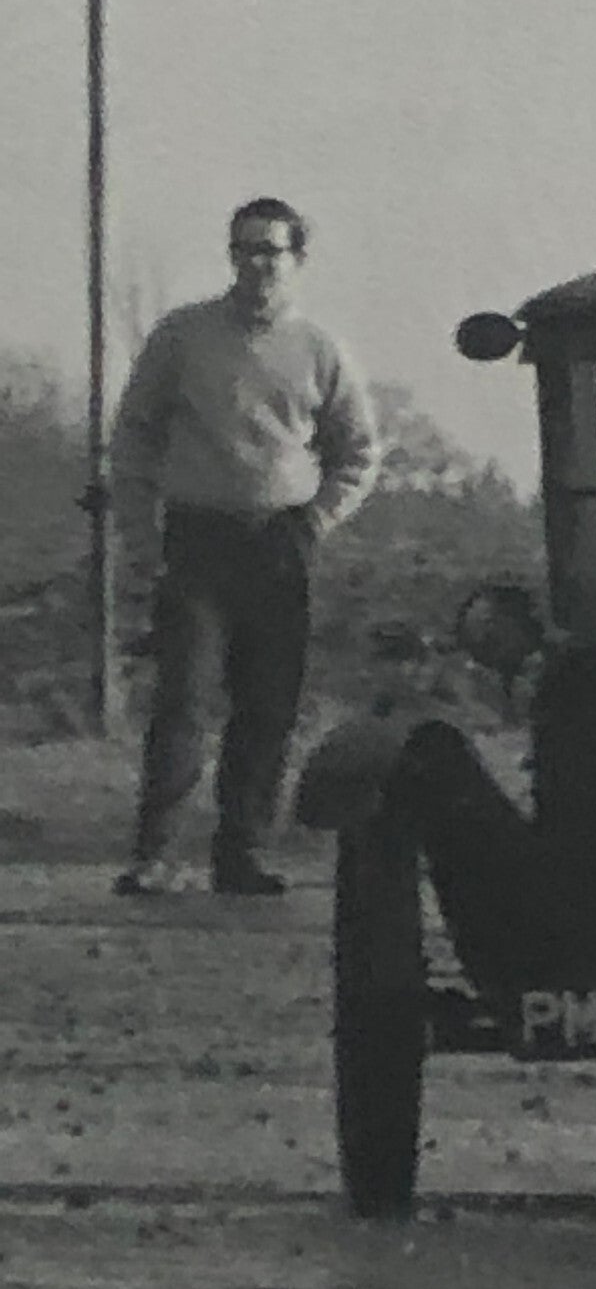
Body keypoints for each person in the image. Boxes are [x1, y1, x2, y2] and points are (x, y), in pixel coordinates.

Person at [110, 196, 380, 897]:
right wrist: (141, 534)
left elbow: (359, 450)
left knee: (268, 706)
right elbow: (135, 432)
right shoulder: (184, 336)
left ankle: (244, 854)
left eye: (272, 250)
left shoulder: (321, 349)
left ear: (298, 260)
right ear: (230, 256)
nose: (258, 263)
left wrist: (317, 520)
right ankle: (156, 854)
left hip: (280, 544)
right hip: (196, 538)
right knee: (184, 701)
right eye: (245, 249)